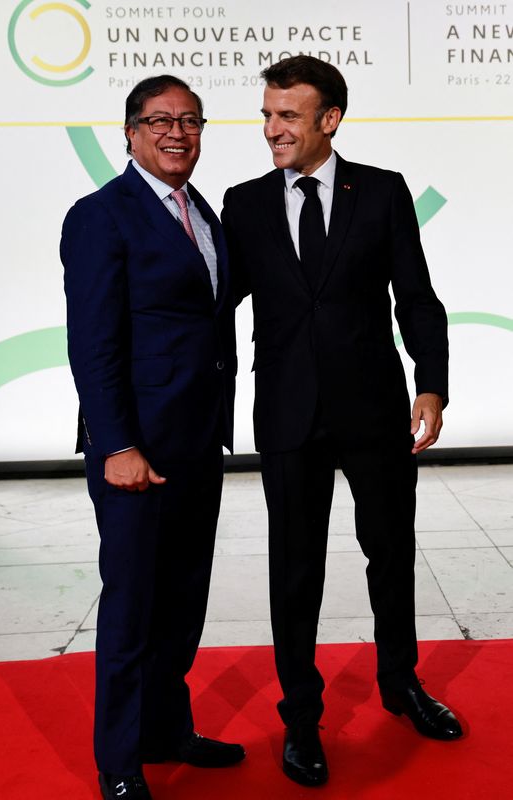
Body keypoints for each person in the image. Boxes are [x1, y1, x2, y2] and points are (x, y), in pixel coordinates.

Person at [222, 55, 462, 788]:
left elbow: (416, 297)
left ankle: (401, 684)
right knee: (295, 573)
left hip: (372, 409)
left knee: (390, 554)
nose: (272, 130)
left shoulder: (382, 193)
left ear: (330, 119)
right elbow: (211, 309)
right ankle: (301, 719)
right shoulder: (243, 202)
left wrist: (432, 386)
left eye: (287, 116)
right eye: (267, 115)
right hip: (288, 415)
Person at [61, 75, 244, 800]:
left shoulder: (203, 211)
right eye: (161, 120)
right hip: (137, 447)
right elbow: (93, 344)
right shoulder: (101, 216)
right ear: (130, 132)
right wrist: (116, 445)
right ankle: (119, 759)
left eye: (191, 120)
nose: (179, 133)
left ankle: (169, 729)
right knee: (133, 605)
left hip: (199, 441)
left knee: (182, 601)